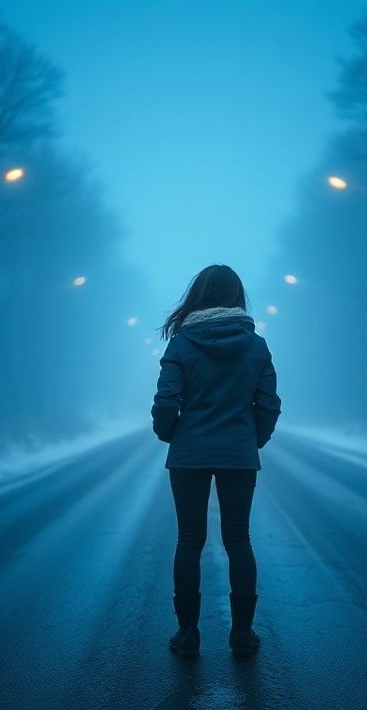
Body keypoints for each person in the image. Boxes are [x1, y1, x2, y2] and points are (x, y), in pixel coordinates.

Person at [151, 264, 282, 658]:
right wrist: (251, 440)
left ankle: (187, 633)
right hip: (238, 453)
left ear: (199, 296)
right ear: (236, 297)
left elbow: (165, 399)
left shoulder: (182, 343)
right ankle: (243, 633)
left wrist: (171, 433)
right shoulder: (255, 345)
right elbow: (269, 404)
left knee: (189, 540)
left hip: (189, 454)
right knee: (238, 540)